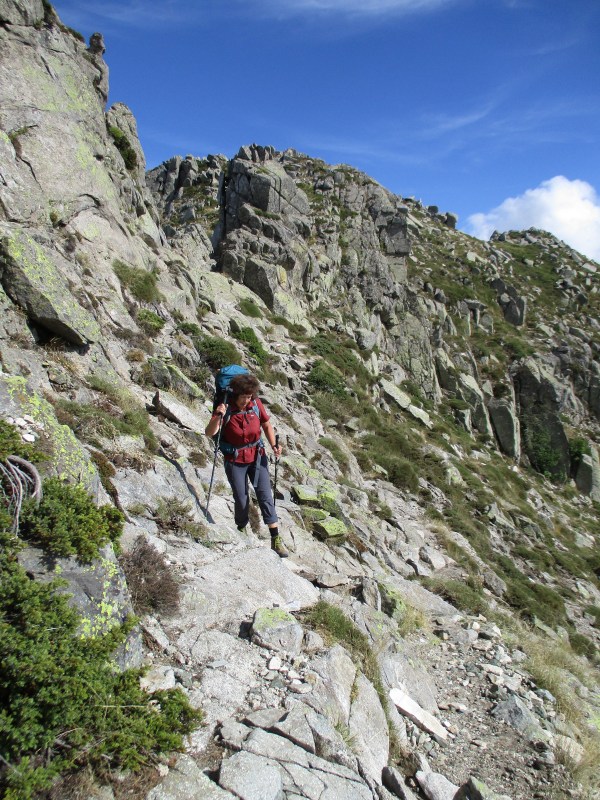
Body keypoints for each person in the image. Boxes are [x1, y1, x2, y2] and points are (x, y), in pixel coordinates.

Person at [204, 373, 288, 557]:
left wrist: (274, 445)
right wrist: (218, 416)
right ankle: (241, 528)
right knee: (241, 498)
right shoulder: (225, 408)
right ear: (236, 394)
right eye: (244, 397)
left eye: (249, 397)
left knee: (265, 495)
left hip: (257, 456)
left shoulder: (255, 405)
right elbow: (209, 433)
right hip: (234, 459)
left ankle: (275, 538)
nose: (246, 400)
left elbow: (266, 424)